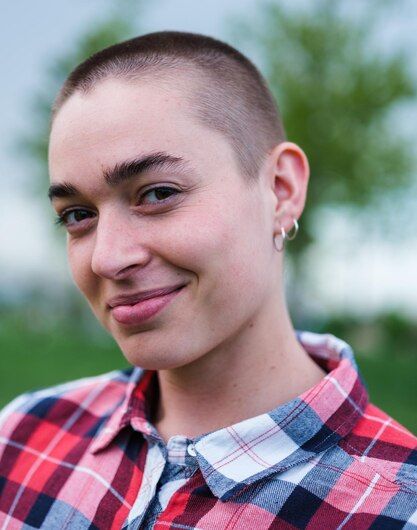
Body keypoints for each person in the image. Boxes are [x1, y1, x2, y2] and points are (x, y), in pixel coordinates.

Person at [0, 32, 416, 530]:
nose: (108, 259)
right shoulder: (21, 437)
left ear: (281, 190)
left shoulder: (396, 509)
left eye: (157, 194)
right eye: (77, 215)